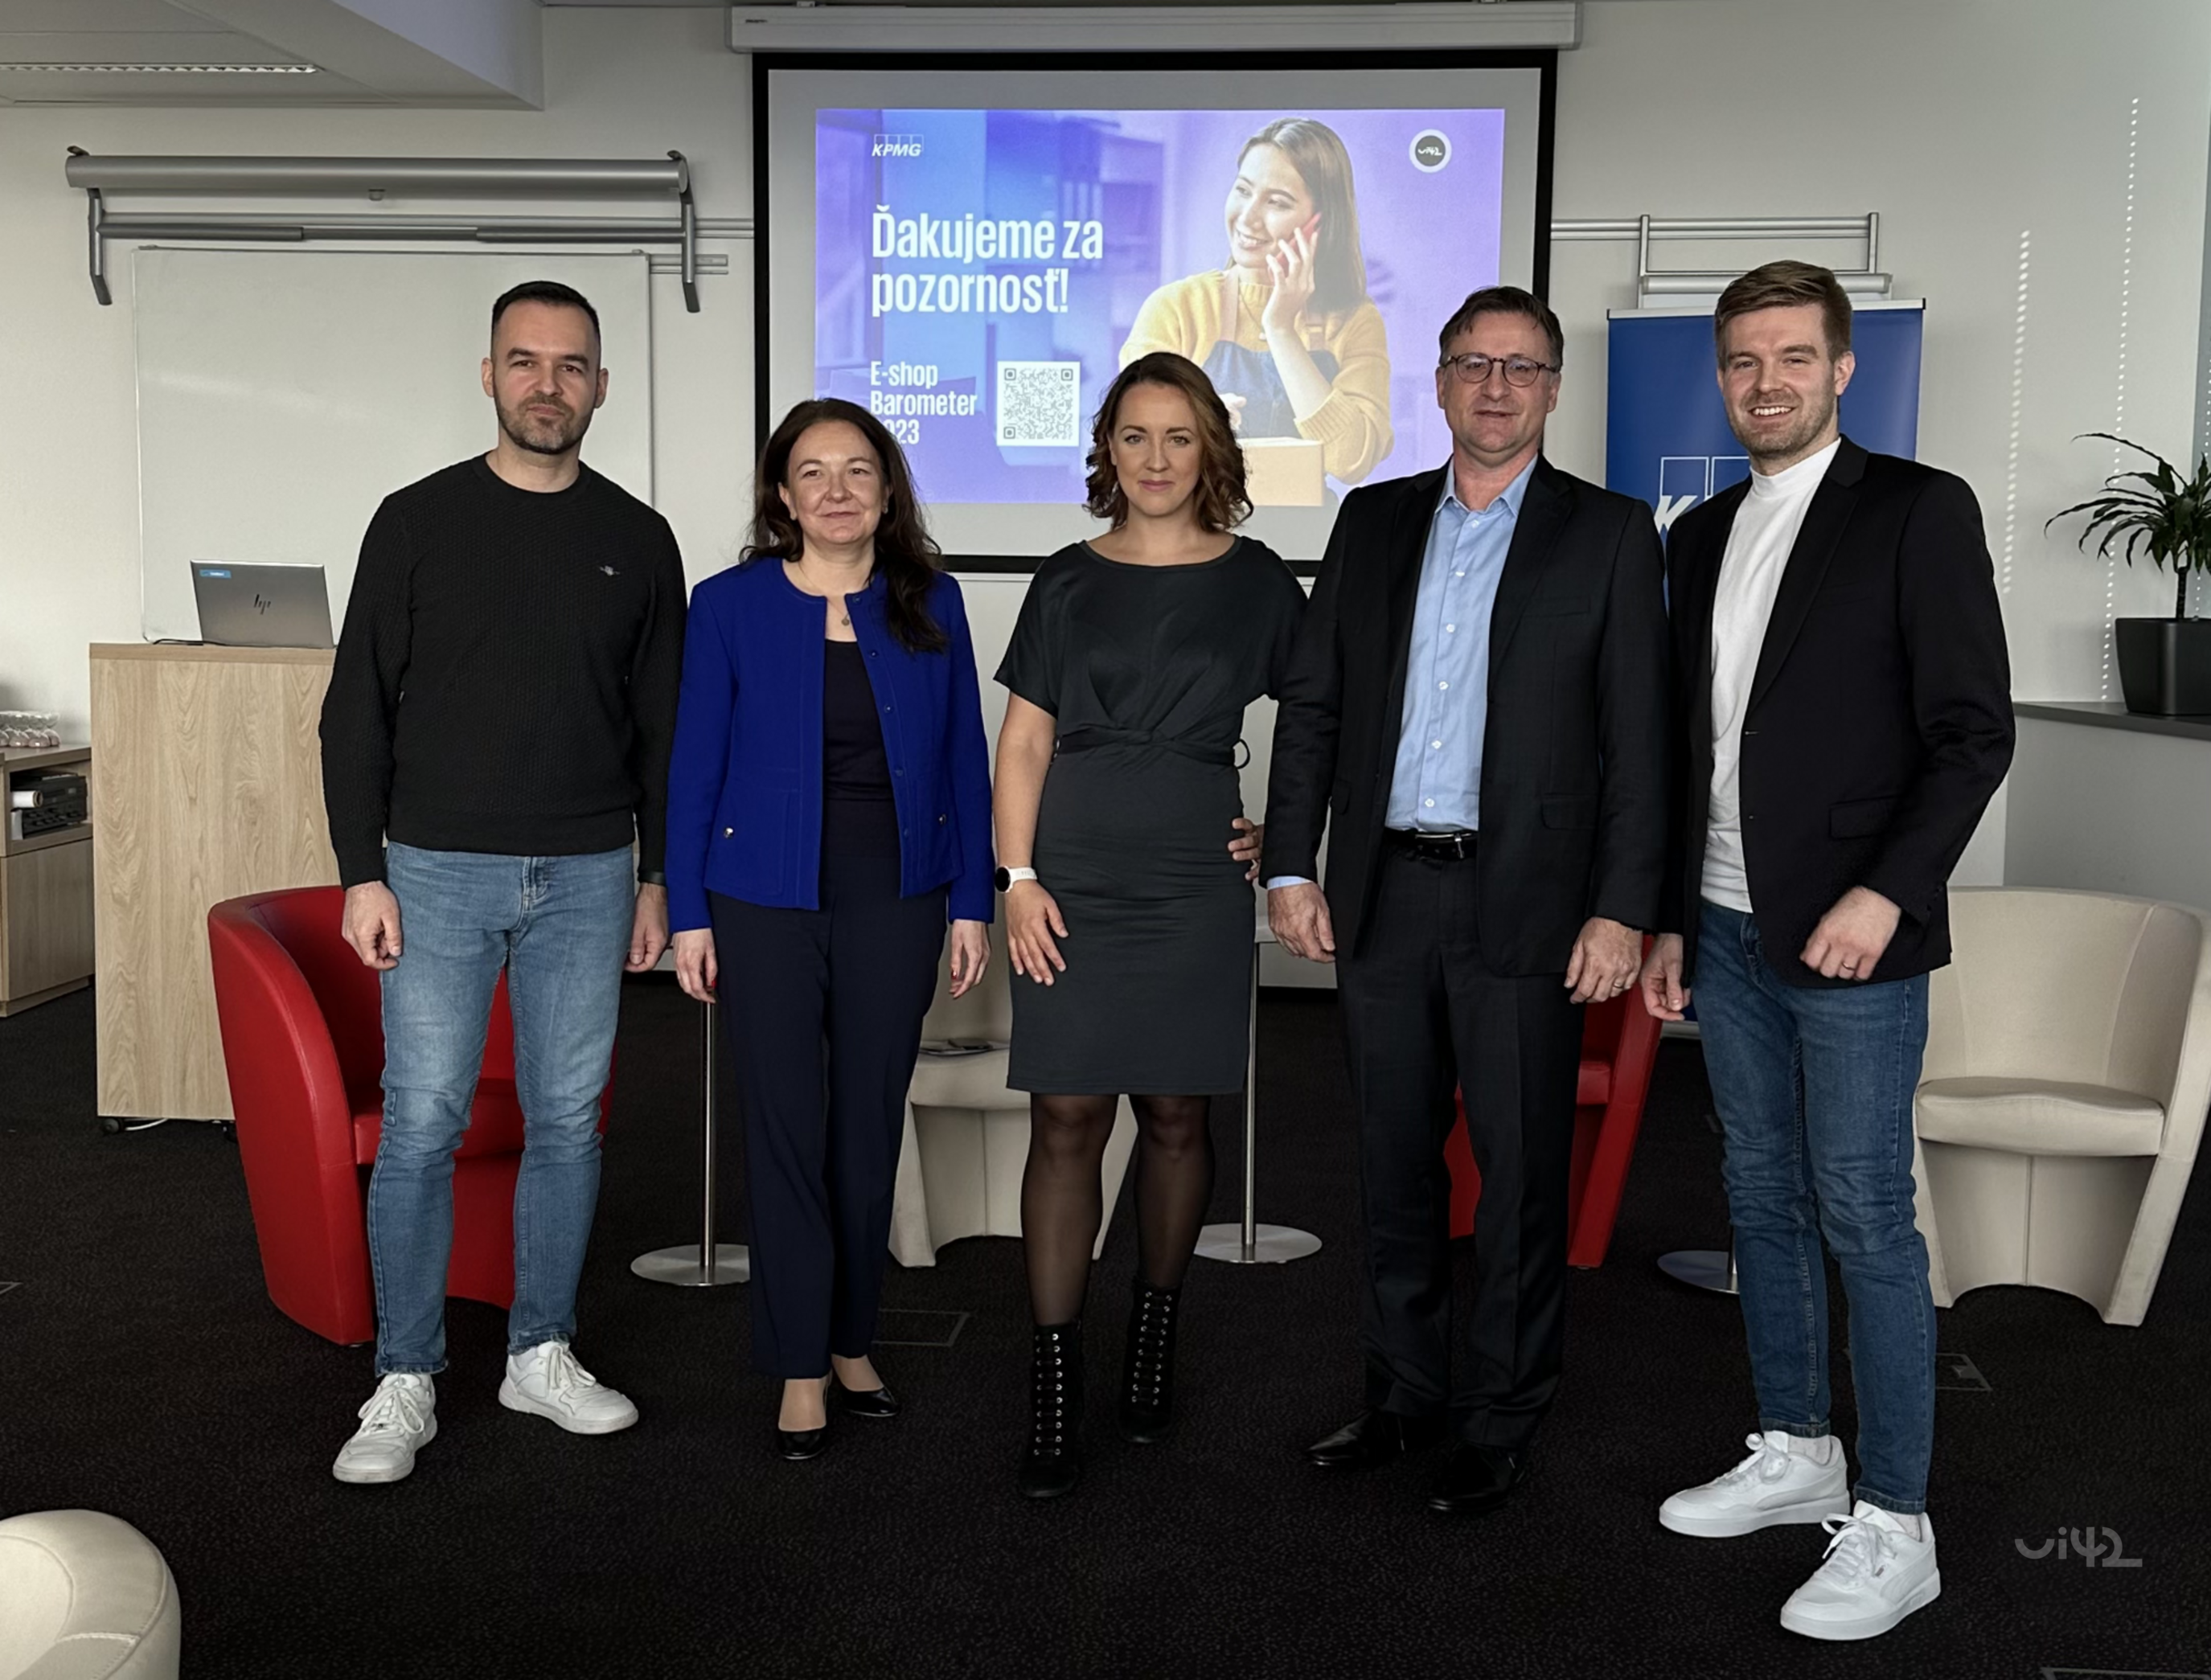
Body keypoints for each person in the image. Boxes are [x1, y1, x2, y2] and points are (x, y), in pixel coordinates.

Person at [1639, 260, 2013, 1641]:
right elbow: (1687, 745)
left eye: (1794, 357)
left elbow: (1972, 733)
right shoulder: (1699, 531)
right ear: (1719, 374)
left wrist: (1883, 896)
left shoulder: (1916, 510)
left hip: (1853, 933)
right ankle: (1799, 1448)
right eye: (1744, 360)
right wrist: (1671, 911)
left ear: (1843, 368)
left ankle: (1899, 1522)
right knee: (1759, 1195)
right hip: (1726, 922)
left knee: (1862, 1212)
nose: (1767, 382)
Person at [1265, 287, 1670, 1518]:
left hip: (1531, 906)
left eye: (1521, 367)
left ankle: (1499, 1417)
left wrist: (1620, 908)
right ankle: (1400, 1395)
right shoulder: (1374, 519)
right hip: (1384, 894)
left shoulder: (1608, 533)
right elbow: (1315, 703)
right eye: (1473, 364)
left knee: (1518, 1175)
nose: (1496, 387)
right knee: (1390, 1164)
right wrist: (1289, 862)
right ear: (1437, 383)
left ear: (1552, 388)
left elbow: (1638, 739)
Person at [318, 279, 685, 1484]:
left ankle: (540, 1351)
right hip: (434, 869)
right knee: (422, 1119)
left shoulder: (639, 537)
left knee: (568, 1120)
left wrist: (658, 875)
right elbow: (354, 710)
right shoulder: (415, 521)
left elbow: (663, 730)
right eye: (524, 361)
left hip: (590, 871)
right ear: (488, 375)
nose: (547, 384)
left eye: (570, 365)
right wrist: (362, 871)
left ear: (601, 386)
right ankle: (405, 1375)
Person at [994, 351, 1303, 1499]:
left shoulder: (1258, 579)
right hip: (1071, 873)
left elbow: (1321, 716)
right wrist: (1016, 876)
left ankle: (1153, 1334)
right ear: (1107, 449)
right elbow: (1024, 738)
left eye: (1178, 435)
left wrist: (1285, 832)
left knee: (1176, 1111)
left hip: (1191, 876)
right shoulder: (1065, 579)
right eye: (1135, 435)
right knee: (1066, 1114)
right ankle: (1054, 1375)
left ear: (1210, 445)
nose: (1157, 457)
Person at [665, 398, 994, 1461]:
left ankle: (853, 1339)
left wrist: (973, 899)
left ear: (886, 490)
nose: (837, 489)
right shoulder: (726, 605)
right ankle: (799, 1362)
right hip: (759, 895)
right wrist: (686, 912)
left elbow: (964, 757)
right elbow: (693, 765)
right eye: (813, 471)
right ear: (782, 494)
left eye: (858, 469)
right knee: (784, 1129)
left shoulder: (930, 600)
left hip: (897, 893)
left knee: (865, 1127)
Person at [1120, 117, 1393, 486]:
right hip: (1194, 521)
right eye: (1243, 190)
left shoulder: (1354, 321)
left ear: (1320, 222)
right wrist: (1194, 424)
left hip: (1307, 523)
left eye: (1276, 202)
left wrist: (1280, 329)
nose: (1248, 218)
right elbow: (1131, 441)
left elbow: (1351, 460)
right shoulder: (1176, 309)